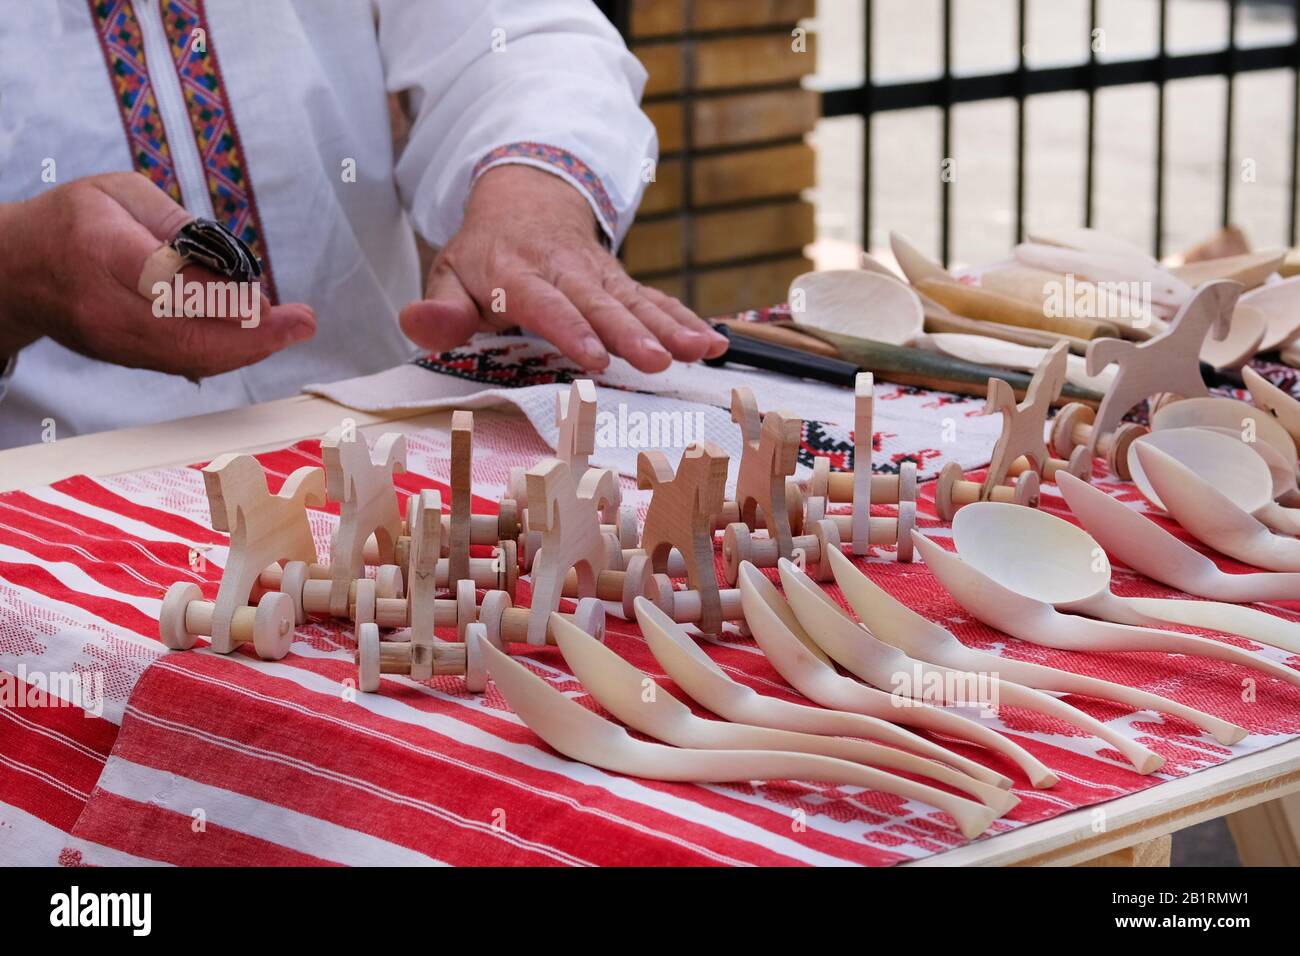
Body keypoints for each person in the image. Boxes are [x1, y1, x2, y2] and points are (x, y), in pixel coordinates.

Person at [0, 0, 725, 448]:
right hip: (47, 506)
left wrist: (529, 197)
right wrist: (17, 274)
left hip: (380, 448)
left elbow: (517, 33)